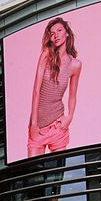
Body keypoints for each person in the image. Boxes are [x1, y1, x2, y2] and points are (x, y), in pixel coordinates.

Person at [28, 17, 82, 158]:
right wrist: (34, 124)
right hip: (38, 128)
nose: (56, 35)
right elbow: (36, 90)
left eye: (59, 30)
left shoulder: (75, 64)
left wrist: (69, 117)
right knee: (31, 176)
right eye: (52, 33)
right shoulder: (45, 56)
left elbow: (72, 95)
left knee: (58, 176)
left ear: (67, 33)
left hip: (58, 127)